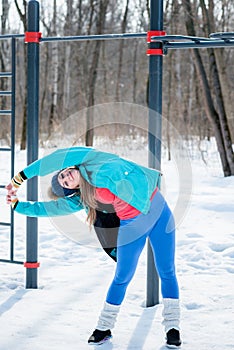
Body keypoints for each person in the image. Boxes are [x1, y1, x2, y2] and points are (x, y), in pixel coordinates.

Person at [6, 146, 182, 348]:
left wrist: (21, 177)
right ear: (71, 190)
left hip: (160, 212)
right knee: (122, 276)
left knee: (167, 270)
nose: (66, 176)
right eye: (64, 181)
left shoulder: (92, 160)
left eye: (64, 173)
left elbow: (56, 158)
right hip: (132, 226)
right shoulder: (85, 198)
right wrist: (19, 205)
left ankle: (172, 328)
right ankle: (104, 327)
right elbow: (51, 208)